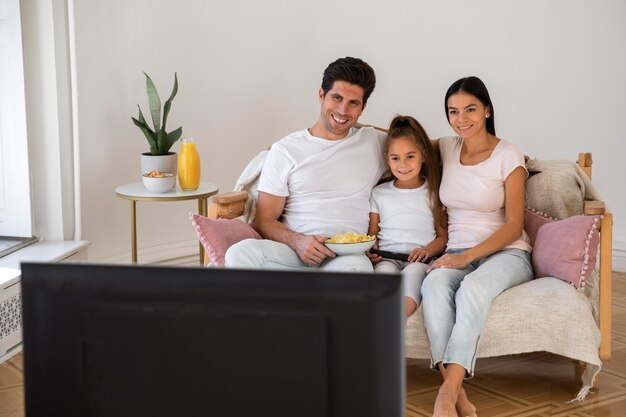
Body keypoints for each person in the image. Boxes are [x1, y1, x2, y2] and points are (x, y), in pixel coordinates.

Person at [420, 76, 533, 417]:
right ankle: (459, 396)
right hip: (458, 253)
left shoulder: (507, 154)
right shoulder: (446, 148)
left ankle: (445, 394)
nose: (461, 118)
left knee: (472, 288)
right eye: (453, 112)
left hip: (508, 252)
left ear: (486, 110)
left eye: (470, 109)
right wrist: (355, 124)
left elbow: (514, 224)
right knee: (434, 284)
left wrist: (465, 257)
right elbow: (399, 135)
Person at [225, 57, 386, 271]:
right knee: (239, 252)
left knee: (355, 272)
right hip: (293, 253)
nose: (343, 110)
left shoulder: (373, 141)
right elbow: (264, 221)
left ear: (363, 107)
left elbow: (422, 147)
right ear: (321, 95)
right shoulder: (285, 150)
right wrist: (298, 241)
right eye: (336, 98)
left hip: (346, 256)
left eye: (353, 103)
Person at [367, 115, 447, 318]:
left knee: (412, 277)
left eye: (410, 156)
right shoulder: (379, 193)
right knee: (383, 278)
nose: (402, 164)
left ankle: (392, 324)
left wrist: (427, 250)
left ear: (424, 156)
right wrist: (370, 249)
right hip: (387, 258)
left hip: (418, 262)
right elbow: (372, 235)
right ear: (387, 158)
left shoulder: (434, 192)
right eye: (395, 158)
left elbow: (443, 237)